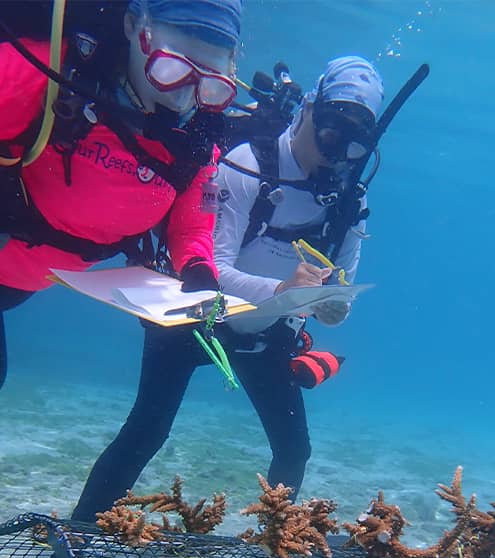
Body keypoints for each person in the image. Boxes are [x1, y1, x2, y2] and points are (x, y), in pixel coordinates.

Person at [71, 56, 385, 522]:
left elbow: (338, 284)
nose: (336, 156)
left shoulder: (347, 202)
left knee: (294, 450)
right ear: (310, 111)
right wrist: (282, 286)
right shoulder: (247, 164)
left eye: (353, 148)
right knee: (147, 430)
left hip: (263, 334)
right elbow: (210, 266)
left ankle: (270, 548)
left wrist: (333, 307)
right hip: (193, 318)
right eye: (331, 136)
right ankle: (75, 542)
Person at [0, 0, 242, 386]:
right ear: (133, 26)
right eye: (172, 69)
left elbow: (192, 228)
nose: (182, 98)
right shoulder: (48, 75)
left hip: (26, 281)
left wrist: (200, 272)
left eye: (209, 83)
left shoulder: (197, 146)